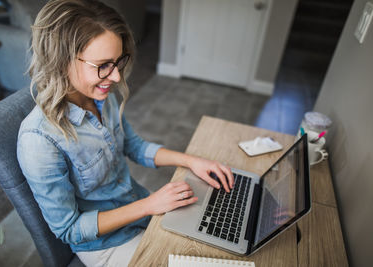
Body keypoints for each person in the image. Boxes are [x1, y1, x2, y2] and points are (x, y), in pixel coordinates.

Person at [17, 0, 234, 266]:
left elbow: (134, 146)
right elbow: (68, 229)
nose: (117, 77)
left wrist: (191, 161)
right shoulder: (39, 140)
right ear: (61, 61)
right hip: (106, 245)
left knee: (216, 243)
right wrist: (150, 205)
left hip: (142, 211)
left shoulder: (100, 96)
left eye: (118, 62)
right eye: (104, 65)